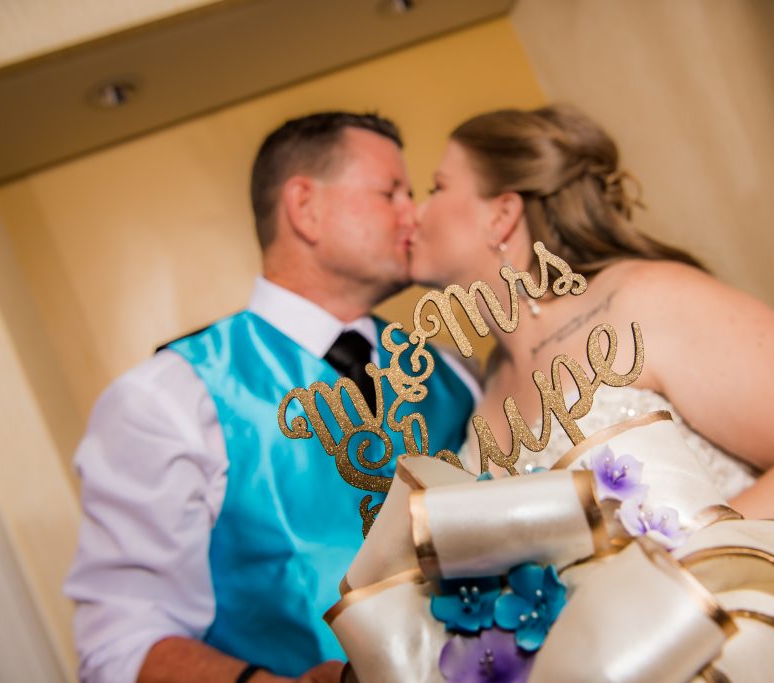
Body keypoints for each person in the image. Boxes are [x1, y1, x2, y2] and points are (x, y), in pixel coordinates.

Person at [409, 104, 774, 681]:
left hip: (759, 642)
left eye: (436, 187)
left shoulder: (644, 301)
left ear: (501, 215)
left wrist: (662, 585)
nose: (417, 212)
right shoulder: (484, 386)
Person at [64, 112, 479, 683]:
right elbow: (120, 645)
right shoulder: (172, 398)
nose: (416, 214)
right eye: (392, 193)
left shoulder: (456, 374)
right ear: (305, 207)